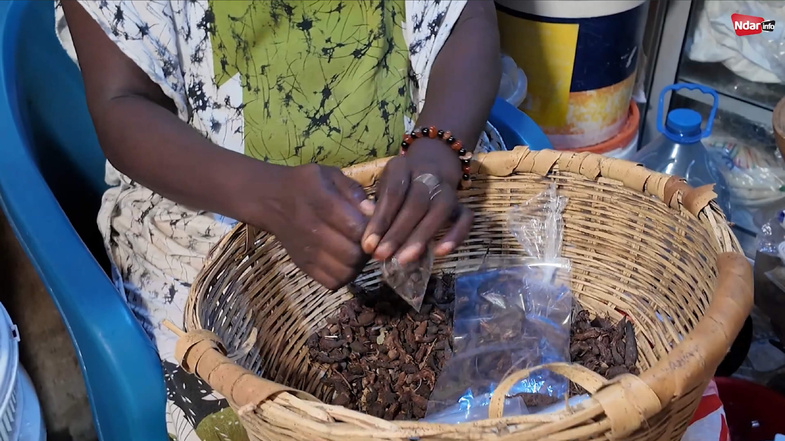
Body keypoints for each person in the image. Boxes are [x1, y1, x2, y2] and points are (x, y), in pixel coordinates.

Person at [57, 1, 501, 439]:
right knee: (245, 413)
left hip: (422, 181)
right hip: (208, 216)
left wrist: (437, 151)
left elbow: (466, 16)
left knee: (507, 367)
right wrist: (270, 199)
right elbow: (121, 100)